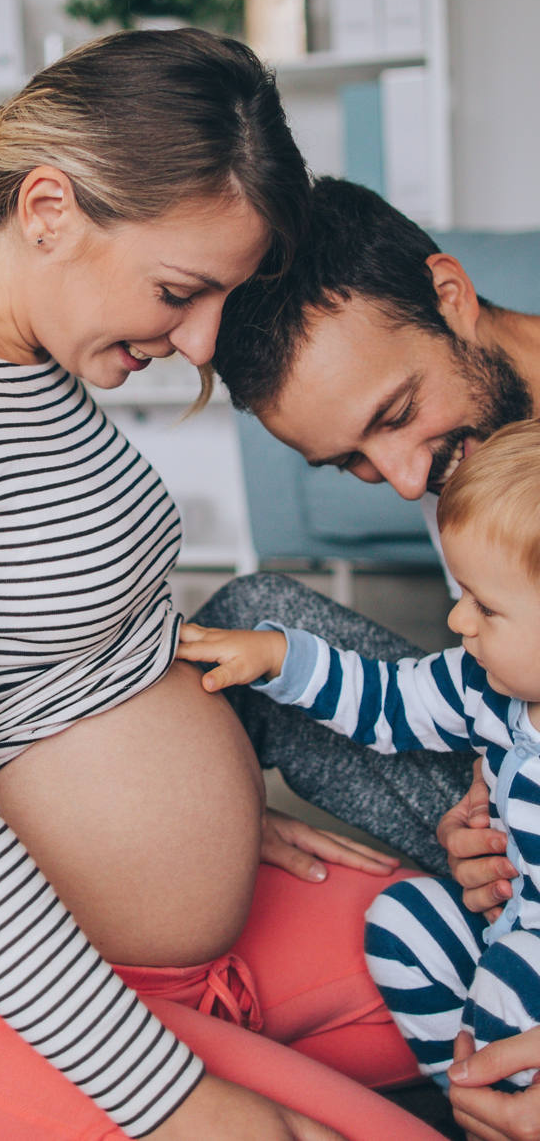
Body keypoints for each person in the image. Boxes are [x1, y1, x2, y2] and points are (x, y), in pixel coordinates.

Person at [0, 29, 438, 1141]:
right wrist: (177, 1103)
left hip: (189, 944)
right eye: (181, 290)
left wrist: (201, 823)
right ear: (46, 211)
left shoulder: (28, 354)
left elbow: (80, 658)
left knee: (500, 972)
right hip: (2, 1009)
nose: (202, 340)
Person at [179, 418, 540, 1097]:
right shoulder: (481, 686)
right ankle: (465, 1091)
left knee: (514, 989)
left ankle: (495, 1088)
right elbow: (386, 699)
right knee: (402, 921)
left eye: (485, 609)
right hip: (502, 922)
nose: (457, 623)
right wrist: (279, 657)